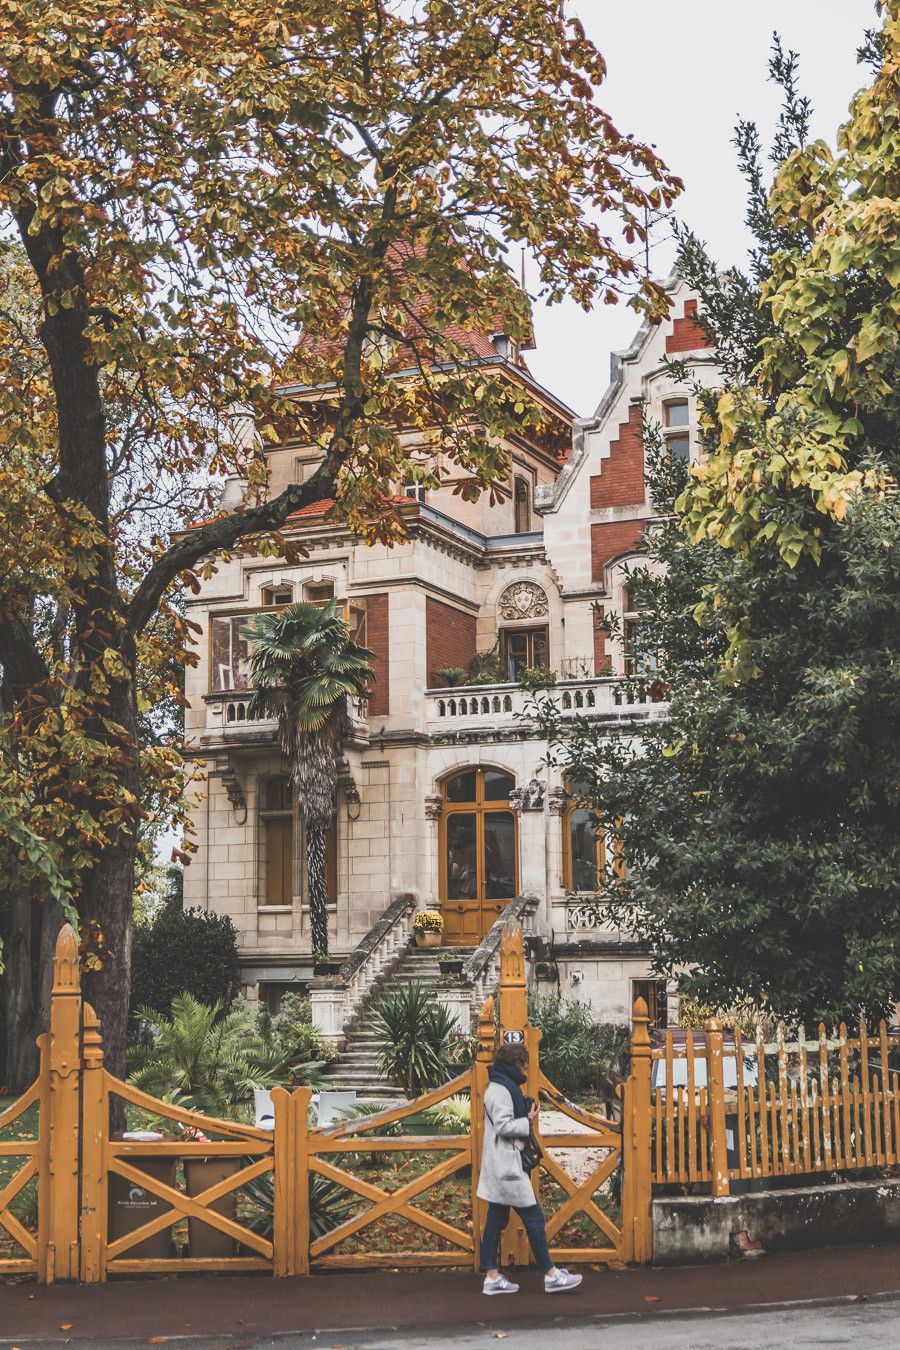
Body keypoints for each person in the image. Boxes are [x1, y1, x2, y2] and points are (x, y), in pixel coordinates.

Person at [477, 1041, 583, 1295]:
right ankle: (550, 1274)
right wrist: (528, 1120)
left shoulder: (500, 1085)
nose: (525, 1070)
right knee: (533, 1217)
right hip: (507, 1167)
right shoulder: (502, 1089)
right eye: (523, 1064)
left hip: (500, 1164)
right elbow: (503, 1127)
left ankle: (491, 1276)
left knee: (496, 1218)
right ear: (515, 1064)